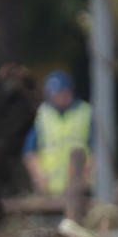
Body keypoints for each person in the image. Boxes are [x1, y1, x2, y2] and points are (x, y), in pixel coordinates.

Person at [26, 69, 94, 205]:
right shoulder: (43, 115)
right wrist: (39, 176)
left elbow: (98, 150)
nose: (59, 98)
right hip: (51, 193)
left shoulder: (85, 113)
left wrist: (89, 174)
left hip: (82, 191)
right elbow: (30, 152)